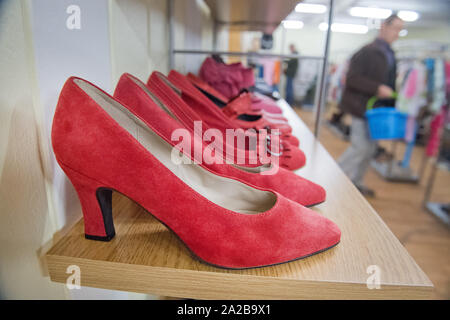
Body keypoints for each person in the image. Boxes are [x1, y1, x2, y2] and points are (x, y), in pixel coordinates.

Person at [337, 14, 404, 197]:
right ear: (384, 26)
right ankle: (333, 181)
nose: (397, 33)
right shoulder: (368, 51)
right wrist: (377, 88)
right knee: (360, 147)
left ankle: (357, 182)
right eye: (395, 28)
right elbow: (351, 79)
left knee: (370, 148)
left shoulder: (389, 53)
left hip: (376, 111)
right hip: (361, 108)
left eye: (400, 30)